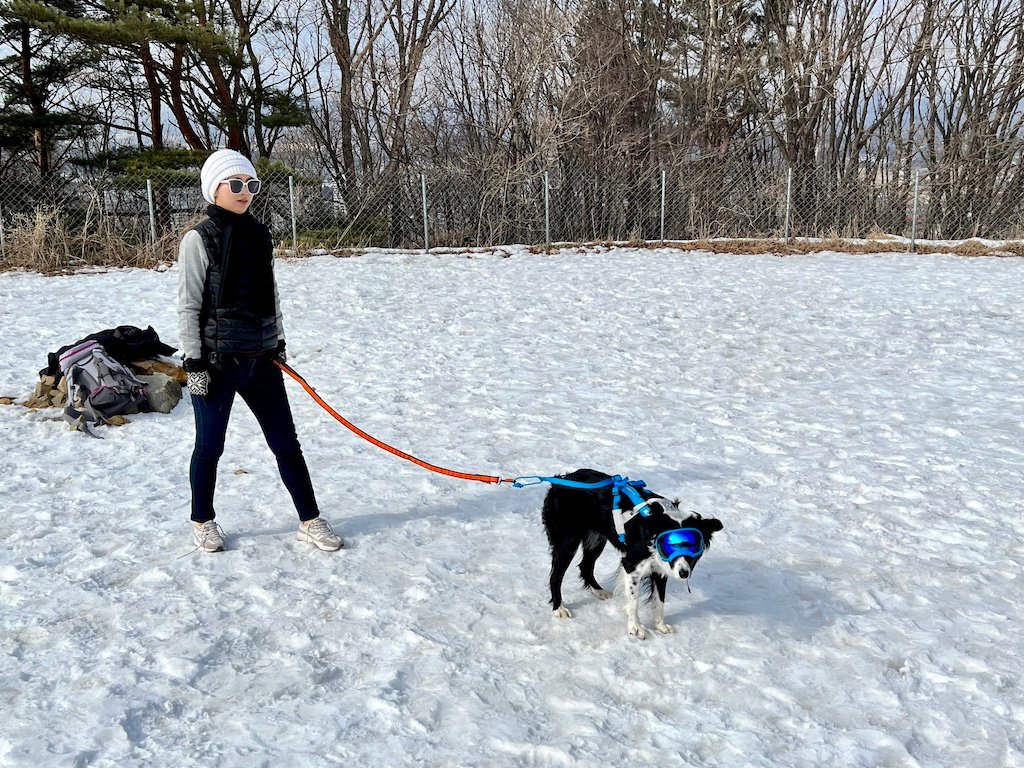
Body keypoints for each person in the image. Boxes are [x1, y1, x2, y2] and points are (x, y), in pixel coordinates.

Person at [177, 148, 343, 553]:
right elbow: (188, 304)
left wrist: (278, 341)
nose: (244, 191)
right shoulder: (198, 239)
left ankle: (309, 519)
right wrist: (194, 361)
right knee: (210, 447)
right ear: (213, 189)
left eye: (251, 185)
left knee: (286, 443)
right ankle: (203, 521)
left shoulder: (260, 234)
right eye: (235, 184)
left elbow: (272, 296)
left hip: (262, 359)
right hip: (217, 364)